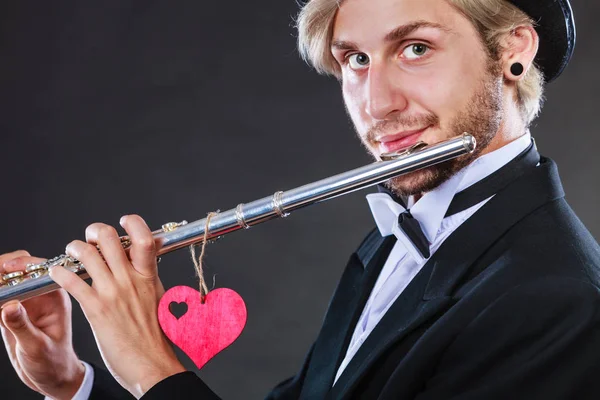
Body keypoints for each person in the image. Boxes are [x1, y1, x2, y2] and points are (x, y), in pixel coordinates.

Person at [2, 0, 599, 398]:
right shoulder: (397, 240)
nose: (378, 104)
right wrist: (73, 382)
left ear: (513, 50)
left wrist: (152, 368)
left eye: (415, 48)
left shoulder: (562, 304)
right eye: (356, 60)